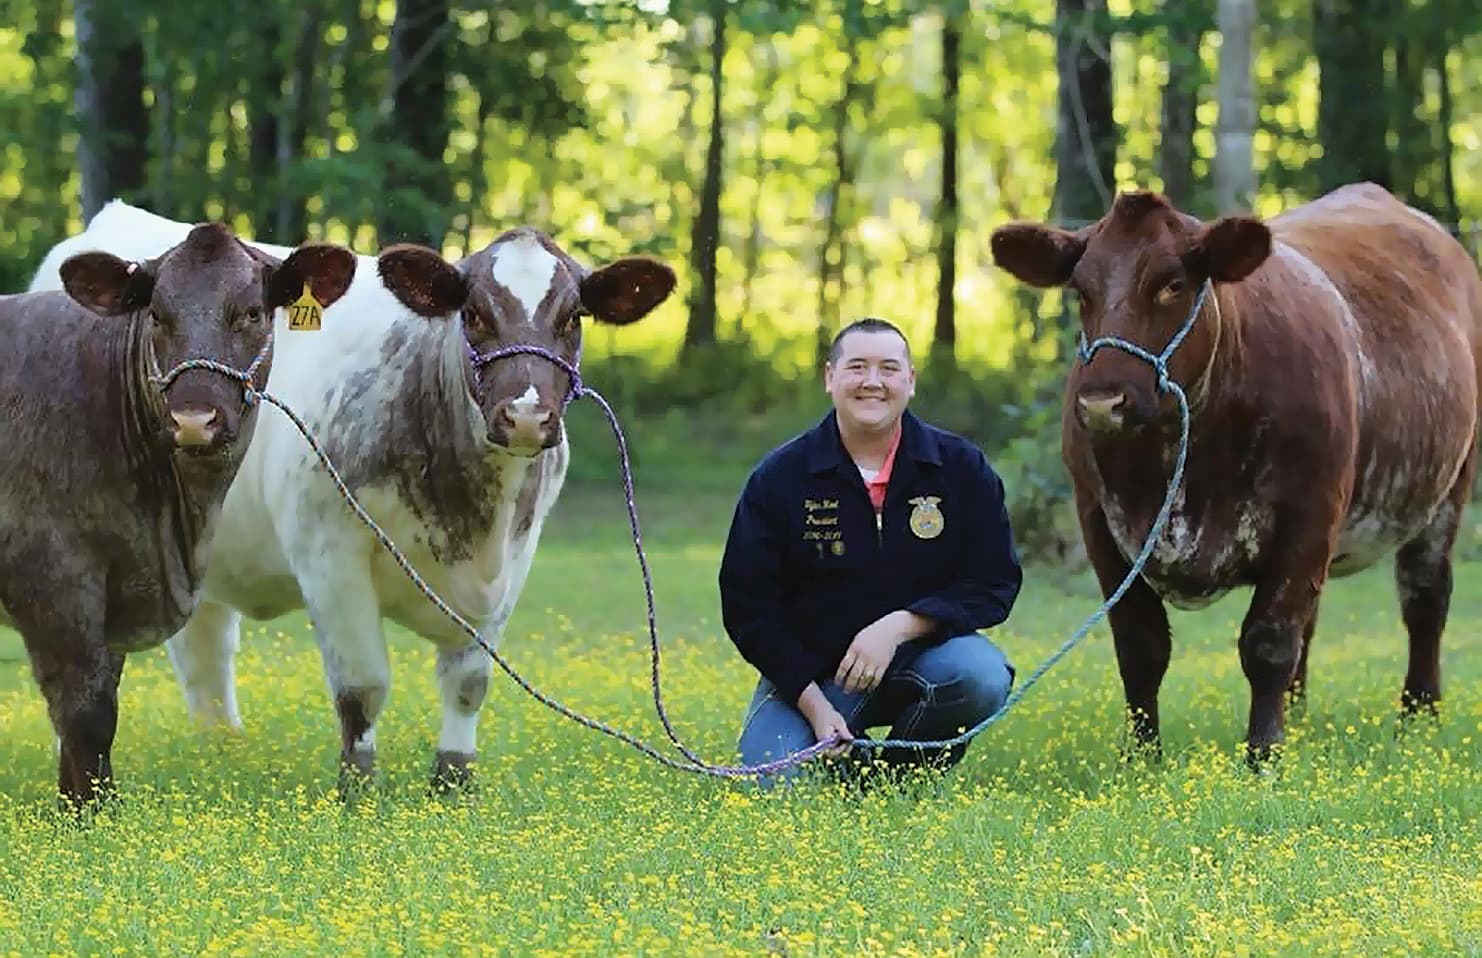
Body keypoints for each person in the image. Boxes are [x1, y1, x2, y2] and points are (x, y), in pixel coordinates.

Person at [719, 317, 1024, 788]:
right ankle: (842, 759)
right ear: (830, 377)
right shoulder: (780, 477)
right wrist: (815, 707)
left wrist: (900, 626)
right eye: (857, 367)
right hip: (815, 679)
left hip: (927, 663)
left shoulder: (961, 467)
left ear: (910, 381)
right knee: (773, 786)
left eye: (889, 368)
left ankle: (895, 784)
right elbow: (748, 608)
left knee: (981, 676)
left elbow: (993, 582)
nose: (873, 382)